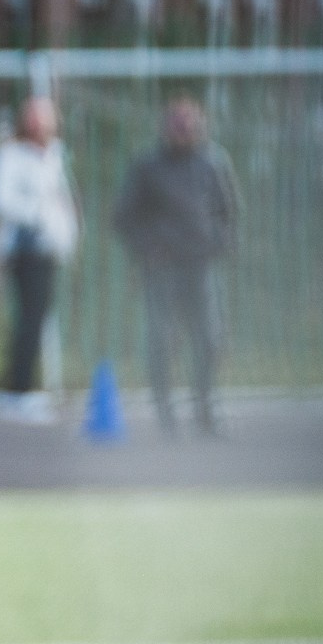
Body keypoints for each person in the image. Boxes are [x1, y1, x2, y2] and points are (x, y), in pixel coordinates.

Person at [111, 97, 239, 436]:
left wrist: (219, 243)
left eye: (189, 122)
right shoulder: (147, 165)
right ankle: (165, 413)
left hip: (201, 266)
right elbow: (123, 216)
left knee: (210, 339)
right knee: (162, 341)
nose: (183, 128)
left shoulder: (214, 161)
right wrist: (147, 249)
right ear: (165, 126)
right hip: (162, 267)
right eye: (177, 122)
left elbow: (230, 211)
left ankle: (206, 408)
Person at [0, 96, 80, 425]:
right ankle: (18, 391)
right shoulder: (12, 155)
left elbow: (62, 199)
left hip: (48, 249)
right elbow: (2, 200)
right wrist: (38, 216)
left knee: (36, 321)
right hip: (25, 249)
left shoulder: (55, 155)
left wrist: (65, 234)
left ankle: (21, 386)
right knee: (29, 320)